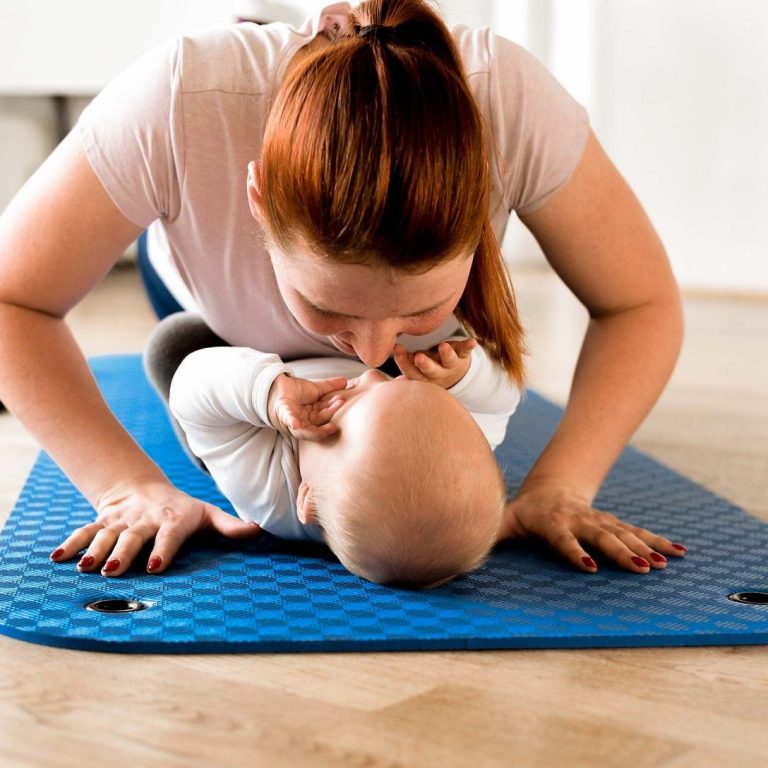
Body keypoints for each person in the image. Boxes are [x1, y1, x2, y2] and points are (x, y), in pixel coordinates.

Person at [0, 0, 686, 580]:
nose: (376, 352)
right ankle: (265, 27)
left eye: (419, 309)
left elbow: (639, 305)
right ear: (257, 200)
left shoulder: (512, 103)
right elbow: (13, 299)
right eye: (329, 307)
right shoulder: (179, 99)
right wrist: (127, 487)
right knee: (184, 334)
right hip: (210, 303)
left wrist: (563, 484)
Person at [165, 323, 520, 588]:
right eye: (397, 383)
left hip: (257, 389)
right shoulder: (454, 447)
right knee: (452, 343)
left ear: (309, 496)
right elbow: (505, 399)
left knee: (175, 343)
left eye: (348, 402)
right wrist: (461, 379)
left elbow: (190, 386)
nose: (370, 375)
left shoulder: (268, 495)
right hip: (352, 343)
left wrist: (267, 395)